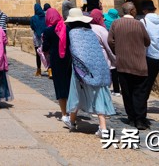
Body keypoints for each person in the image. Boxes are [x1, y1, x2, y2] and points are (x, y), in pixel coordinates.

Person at [65, 8, 116, 137]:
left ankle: (71, 120)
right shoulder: (90, 32)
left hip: (81, 68)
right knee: (98, 93)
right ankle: (103, 127)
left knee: (76, 92)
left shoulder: (72, 33)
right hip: (98, 66)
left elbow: (74, 51)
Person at [108, 2, 151, 130]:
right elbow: (147, 41)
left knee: (127, 92)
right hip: (139, 64)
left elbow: (110, 40)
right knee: (140, 92)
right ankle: (140, 119)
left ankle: (131, 118)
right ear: (132, 11)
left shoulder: (116, 24)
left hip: (122, 63)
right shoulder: (139, 24)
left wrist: (118, 51)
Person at [43, 8, 72, 129]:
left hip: (56, 61)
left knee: (60, 86)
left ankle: (64, 113)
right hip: (69, 60)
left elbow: (45, 48)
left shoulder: (48, 31)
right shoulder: (68, 28)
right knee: (70, 85)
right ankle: (72, 112)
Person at [89, 9, 119, 96]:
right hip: (104, 60)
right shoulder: (101, 29)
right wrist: (115, 59)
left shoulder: (86, 28)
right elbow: (108, 47)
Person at [29, 3, 46, 77]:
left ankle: (38, 70)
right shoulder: (45, 17)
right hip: (44, 36)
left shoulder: (33, 18)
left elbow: (32, 27)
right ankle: (50, 70)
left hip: (37, 37)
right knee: (47, 53)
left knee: (38, 54)